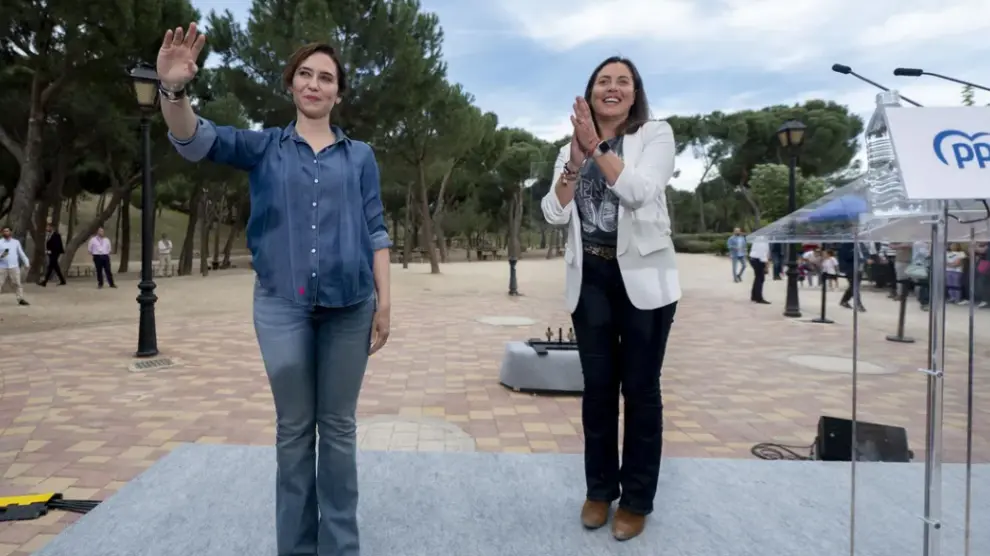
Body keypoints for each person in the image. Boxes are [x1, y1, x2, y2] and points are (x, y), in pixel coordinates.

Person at [158, 24, 391, 556]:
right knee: (294, 430)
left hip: (351, 307)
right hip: (282, 306)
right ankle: (297, 548)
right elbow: (195, 139)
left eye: (326, 78)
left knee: (338, 429)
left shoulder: (361, 157)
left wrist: (386, 303)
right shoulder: (263, 147)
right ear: (291, 84)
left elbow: (376, 230)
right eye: (305, 74)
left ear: (338, 92)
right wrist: (173, 90)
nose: (315, 84)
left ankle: (340, 547)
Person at [540, 55, 679, 542]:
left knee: (640, 390)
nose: (612, 88)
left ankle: (636, 500)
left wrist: (597, 147)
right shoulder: (570, 148)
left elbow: (639, 191)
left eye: (623, 81)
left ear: (635, 93)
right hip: (592, 280)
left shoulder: (655, 135)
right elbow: (554, 213)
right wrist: (574, 163)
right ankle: (599, 491)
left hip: (644, 281)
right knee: (598, 391)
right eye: (604, 81)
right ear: (591, 91)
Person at [0, 225, 30, 306]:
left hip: (14, 266)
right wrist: (2, 255)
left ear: (10, 232)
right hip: (2, 267)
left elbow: (21, 253)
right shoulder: (0, 242)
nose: (6, 233)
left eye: (7, 231)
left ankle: (20, 299)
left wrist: (26, 262)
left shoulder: (16, 242)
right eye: (4, 231)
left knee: (17, 283)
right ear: (2, 233)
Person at [40, 221, 66, 286]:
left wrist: (50, 251)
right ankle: (62, 281)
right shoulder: (49, 235)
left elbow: (57, 246)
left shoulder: (57, 235)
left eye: (48, 227)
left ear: (51, 228)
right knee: (56, 267)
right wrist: (47, 251)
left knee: (50, 267)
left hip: (55, 253)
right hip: (51, 253)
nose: (46, 228)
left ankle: (44, 282)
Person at [749, 239, 770, 304]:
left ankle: (754, 296)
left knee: (757, 277)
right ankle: (759, 298)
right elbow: (763, 255)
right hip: (758, 260)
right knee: (760, 278)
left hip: (753, 259)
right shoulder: (764, 241)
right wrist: (766, 266)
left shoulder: (757, 238)